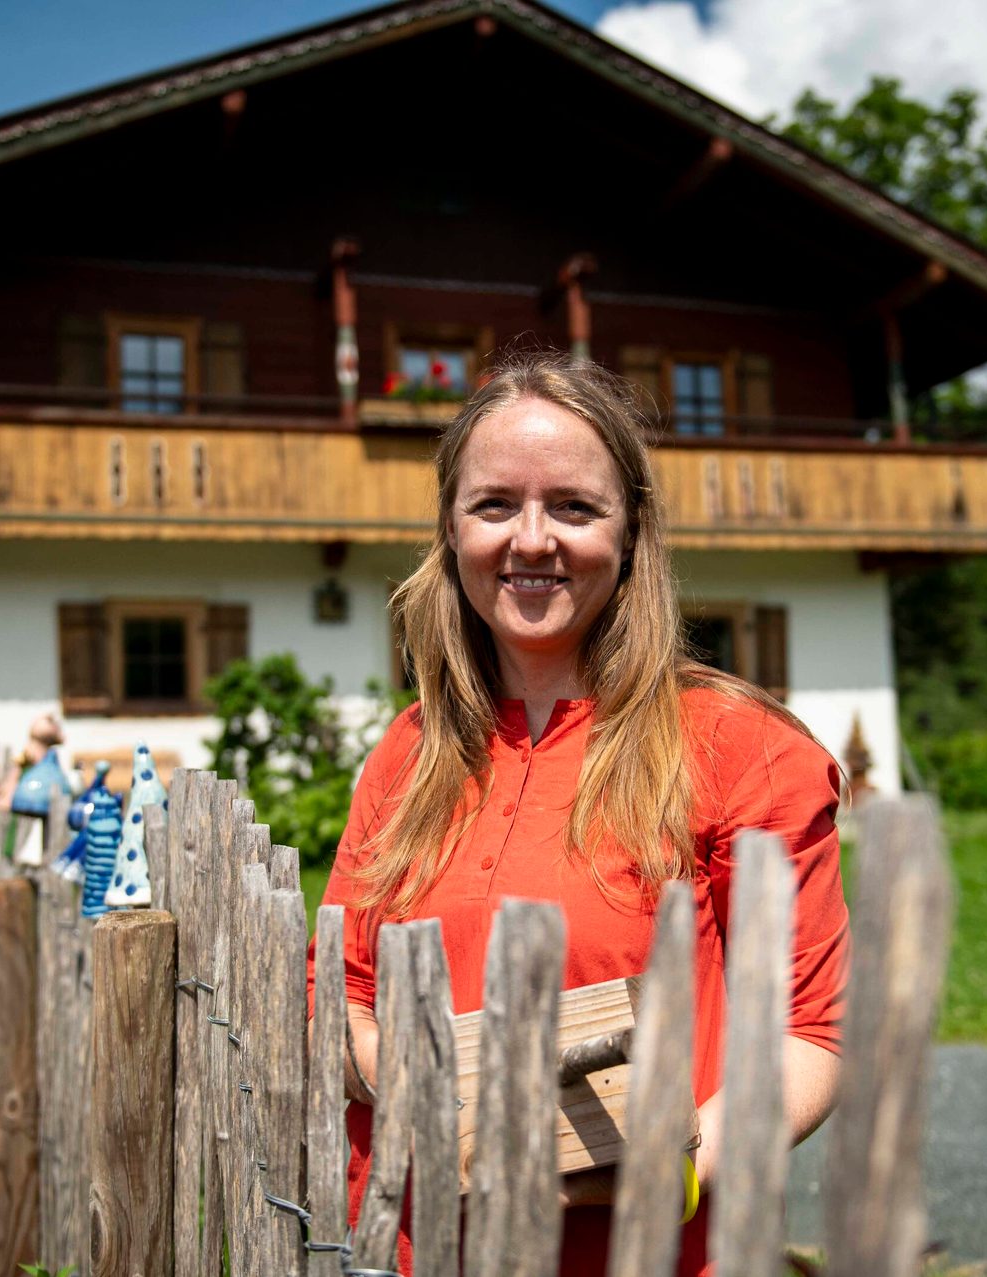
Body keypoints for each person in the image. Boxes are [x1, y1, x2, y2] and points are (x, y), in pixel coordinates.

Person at [312, 352, 849, 1276]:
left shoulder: (742, 749)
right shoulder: (409, 751)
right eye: (494, 505)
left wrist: (678, 1170)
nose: (531, 539)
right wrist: (411, 1079)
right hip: (407, 1246)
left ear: (631, 531)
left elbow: (808, 1036)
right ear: (451, 530)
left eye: (573, 506)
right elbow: (345, 989)